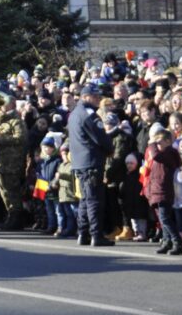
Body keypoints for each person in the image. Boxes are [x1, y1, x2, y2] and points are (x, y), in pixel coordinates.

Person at [68, 83, 114, 246]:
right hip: (91, 162)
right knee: (94, 200)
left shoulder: (74, 114)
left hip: (79, 162)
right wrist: (110, 147)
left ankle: (83, 234)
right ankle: (96, 235)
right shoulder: (89, 114)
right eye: (95, 96)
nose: (97, 99)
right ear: (85, 96)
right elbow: (100, 137)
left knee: (85, 199)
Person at [0, 91, 27, 230]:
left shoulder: (16, 121)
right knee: (3, 190)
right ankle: (10, 214)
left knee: (12, 190)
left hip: (12, 162)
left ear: (12, 104)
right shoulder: (0, 120)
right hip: (1, 161)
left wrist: (1, 139)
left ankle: (16, 217)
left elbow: (21, 138)